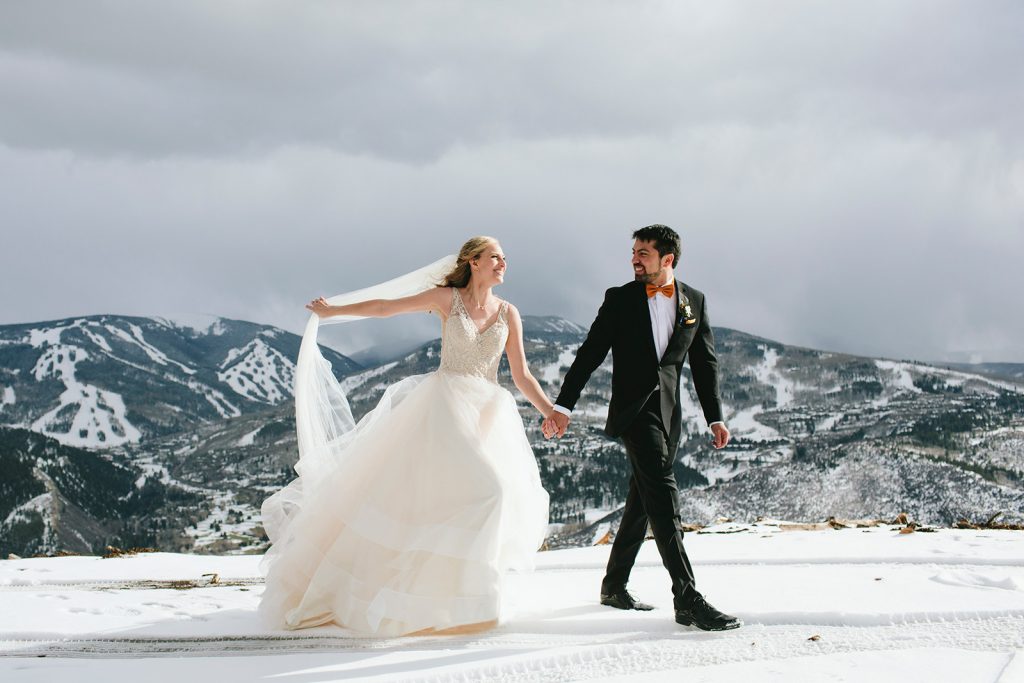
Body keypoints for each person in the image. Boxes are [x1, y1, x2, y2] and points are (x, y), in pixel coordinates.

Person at [258, 236, 551, 637]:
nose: (503, 262)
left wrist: (549, 410)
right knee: (491, 492)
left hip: (487, 412)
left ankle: (453, 598)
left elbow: (521, 374)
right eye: (495, 256)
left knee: (454, 500)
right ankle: (477, 597)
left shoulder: (508, 313)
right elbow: (384, 308)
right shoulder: (447, 299)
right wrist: (333, 312)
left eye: (505, 257)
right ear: (474, 262)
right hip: (445, 406)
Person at [542, 224, 741, 631]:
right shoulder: (619, 300)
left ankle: (614, 585)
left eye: (643, 253)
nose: (634, 259)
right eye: (633, 252)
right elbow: (589, 354)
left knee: (642, 500)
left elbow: (705, 364)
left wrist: (714, 416)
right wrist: (564, 406)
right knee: (665, 496)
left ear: (667, 260)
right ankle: (686, 598)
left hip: (670, 416)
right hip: (634, 413)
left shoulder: (695, 302)